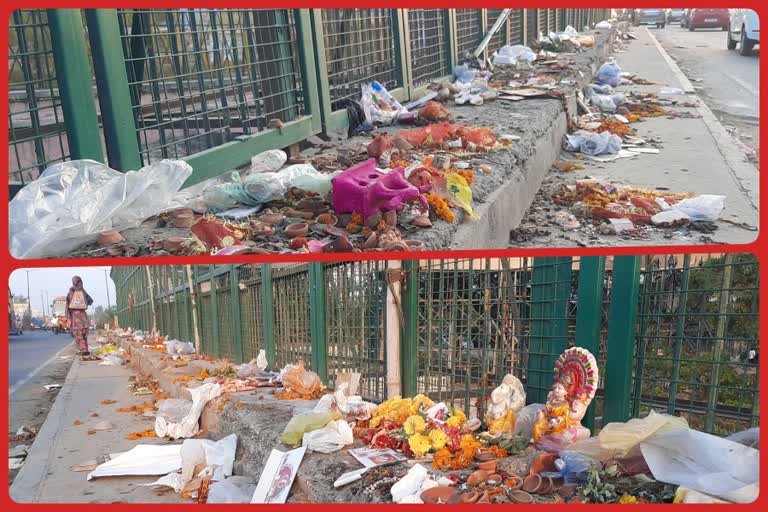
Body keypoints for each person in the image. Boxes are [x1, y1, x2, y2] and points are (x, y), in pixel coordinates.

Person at [66, 276, 94, 355]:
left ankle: (83, 350)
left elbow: (67, 305)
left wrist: (68, 317)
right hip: (83, 316)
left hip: (75, 316)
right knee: (84, 333)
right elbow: (91, 301)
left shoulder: (71, 291)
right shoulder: (83, 291)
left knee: (78, 334)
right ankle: (85, 350)